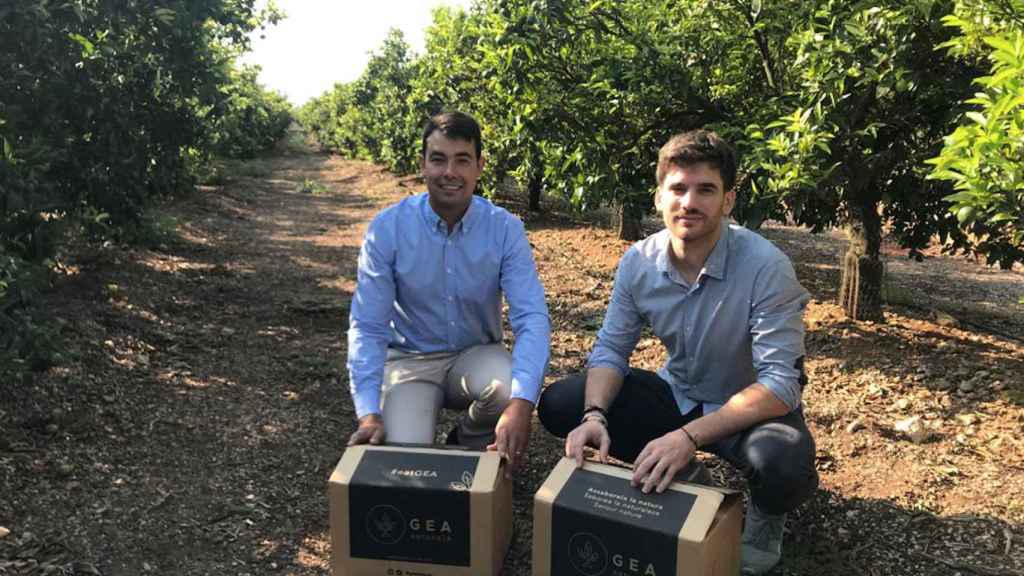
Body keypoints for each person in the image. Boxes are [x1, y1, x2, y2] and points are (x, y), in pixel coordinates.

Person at [536, 130, 817, 575]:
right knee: (561, 404)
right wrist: (594, 416)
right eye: (678, 188)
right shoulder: (639, 263)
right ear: (659, 197)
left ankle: (765, 517)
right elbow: (612, 347)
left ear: (728, 200)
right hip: (679, 392)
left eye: (706, 190)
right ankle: (687, 482)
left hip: (747, 408)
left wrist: (688, 437)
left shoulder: (766, 267)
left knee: (782, 463)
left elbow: (781, 384)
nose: (689, 202)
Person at [345, 111, 550, 476]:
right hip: (411, 362)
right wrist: (368, 412)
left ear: (480, 167)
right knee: (408, 467)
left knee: (505, 386)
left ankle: (466, 441)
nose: (449, 172)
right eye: (438, 159)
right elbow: (368, 324)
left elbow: (531, 317)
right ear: (422, 164)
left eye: (462, 160)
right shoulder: (388, 230)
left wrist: (522, 404)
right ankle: (424, 443)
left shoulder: (504, 229)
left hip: (475, 356)